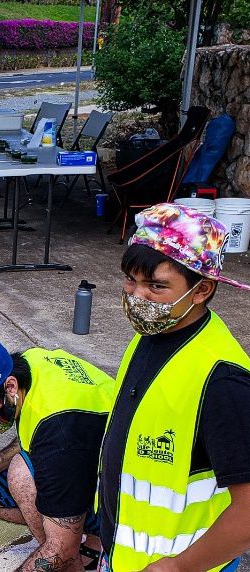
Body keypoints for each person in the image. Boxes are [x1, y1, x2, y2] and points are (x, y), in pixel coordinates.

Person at [97, 203, 250, 572]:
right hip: (123, 555)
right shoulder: (151, 335)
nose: (138, 296)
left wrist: (180, 566)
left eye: (157, 285)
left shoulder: (223, 380)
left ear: (202, 290)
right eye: (131, 279)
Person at [0, 338, 115, 571]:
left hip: (116, 498)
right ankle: (83, 547)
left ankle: (93, 547)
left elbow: (61, 549)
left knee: (21, 476)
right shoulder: (31, 362)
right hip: (87, 454)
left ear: (10, 386)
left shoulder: (60, 435)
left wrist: (61, 550)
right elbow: (36, 431)